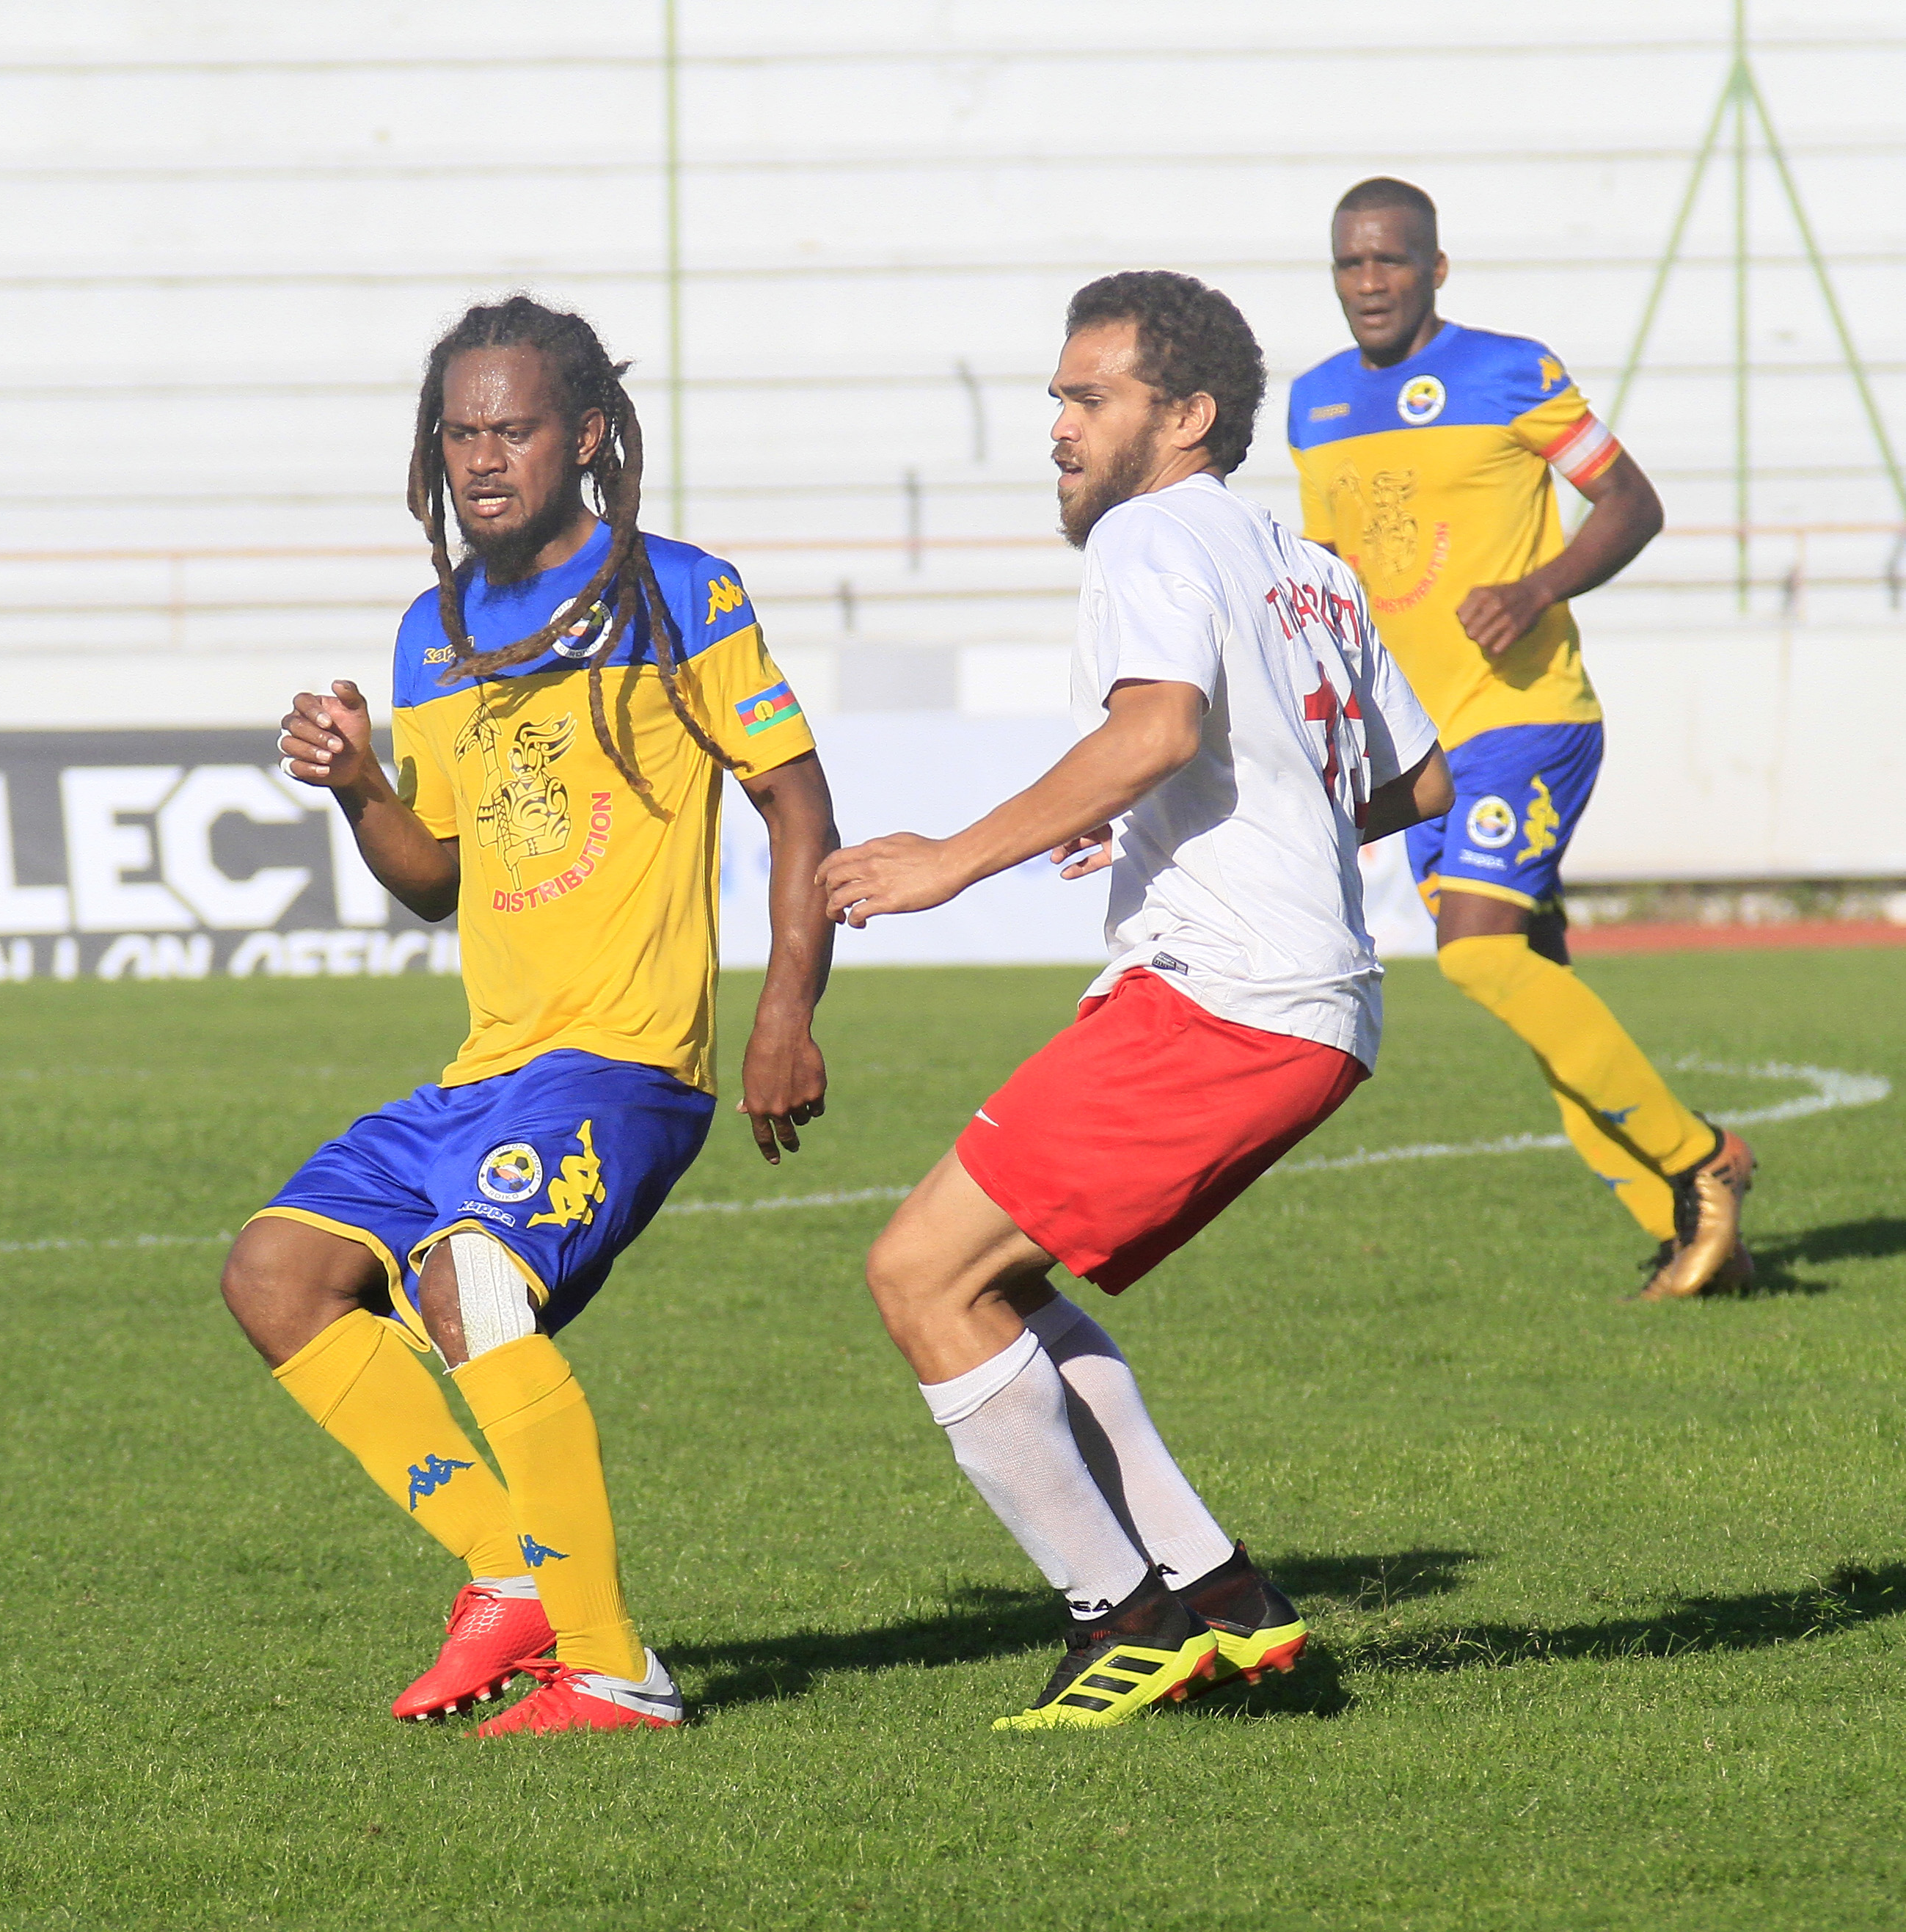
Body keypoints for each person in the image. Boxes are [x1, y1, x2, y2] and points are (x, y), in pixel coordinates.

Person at [819, 271, 1452, 1729]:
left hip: (1225, 995)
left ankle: (1124, 1620)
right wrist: (1198, 815)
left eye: (1088, 397)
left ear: (1186, 416)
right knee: (997, 1284)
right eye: (1057, 395)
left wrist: (950, 861)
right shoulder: (1306, 566)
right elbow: (1418, 781)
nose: (1057, 425)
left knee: (921, 1277)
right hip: (1305, 1003)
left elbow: (1157, 724)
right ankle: (1223, 1597)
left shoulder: (1146, 533)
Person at [219, 296, 839, 1736]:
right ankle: (510, 1570)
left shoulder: (679, 592)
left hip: (624, 1067)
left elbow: (797, 805)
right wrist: (358, 788)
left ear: (588, 437)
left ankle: (614, 1669)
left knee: (470, 1283)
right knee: (275, 1275)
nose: (482, 458)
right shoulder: (431, 633)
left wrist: (783, 1012)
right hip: (485, 1069)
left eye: (512, 430)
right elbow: (432, 879)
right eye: (459, 433)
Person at [1290, 177, 1753, 1300]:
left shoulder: (1511, 372)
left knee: (1476, 950)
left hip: (1527, 714)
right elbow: (1332, 583)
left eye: (1389, 259)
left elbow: (1630, 502)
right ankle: (1685, 1232)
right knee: (1527, 973)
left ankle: (1702, 1160)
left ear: (1434, 268)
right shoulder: (1312, 404)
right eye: (1350, 262)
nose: (1368, 282)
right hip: (1421, 752)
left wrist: (1537, 586)